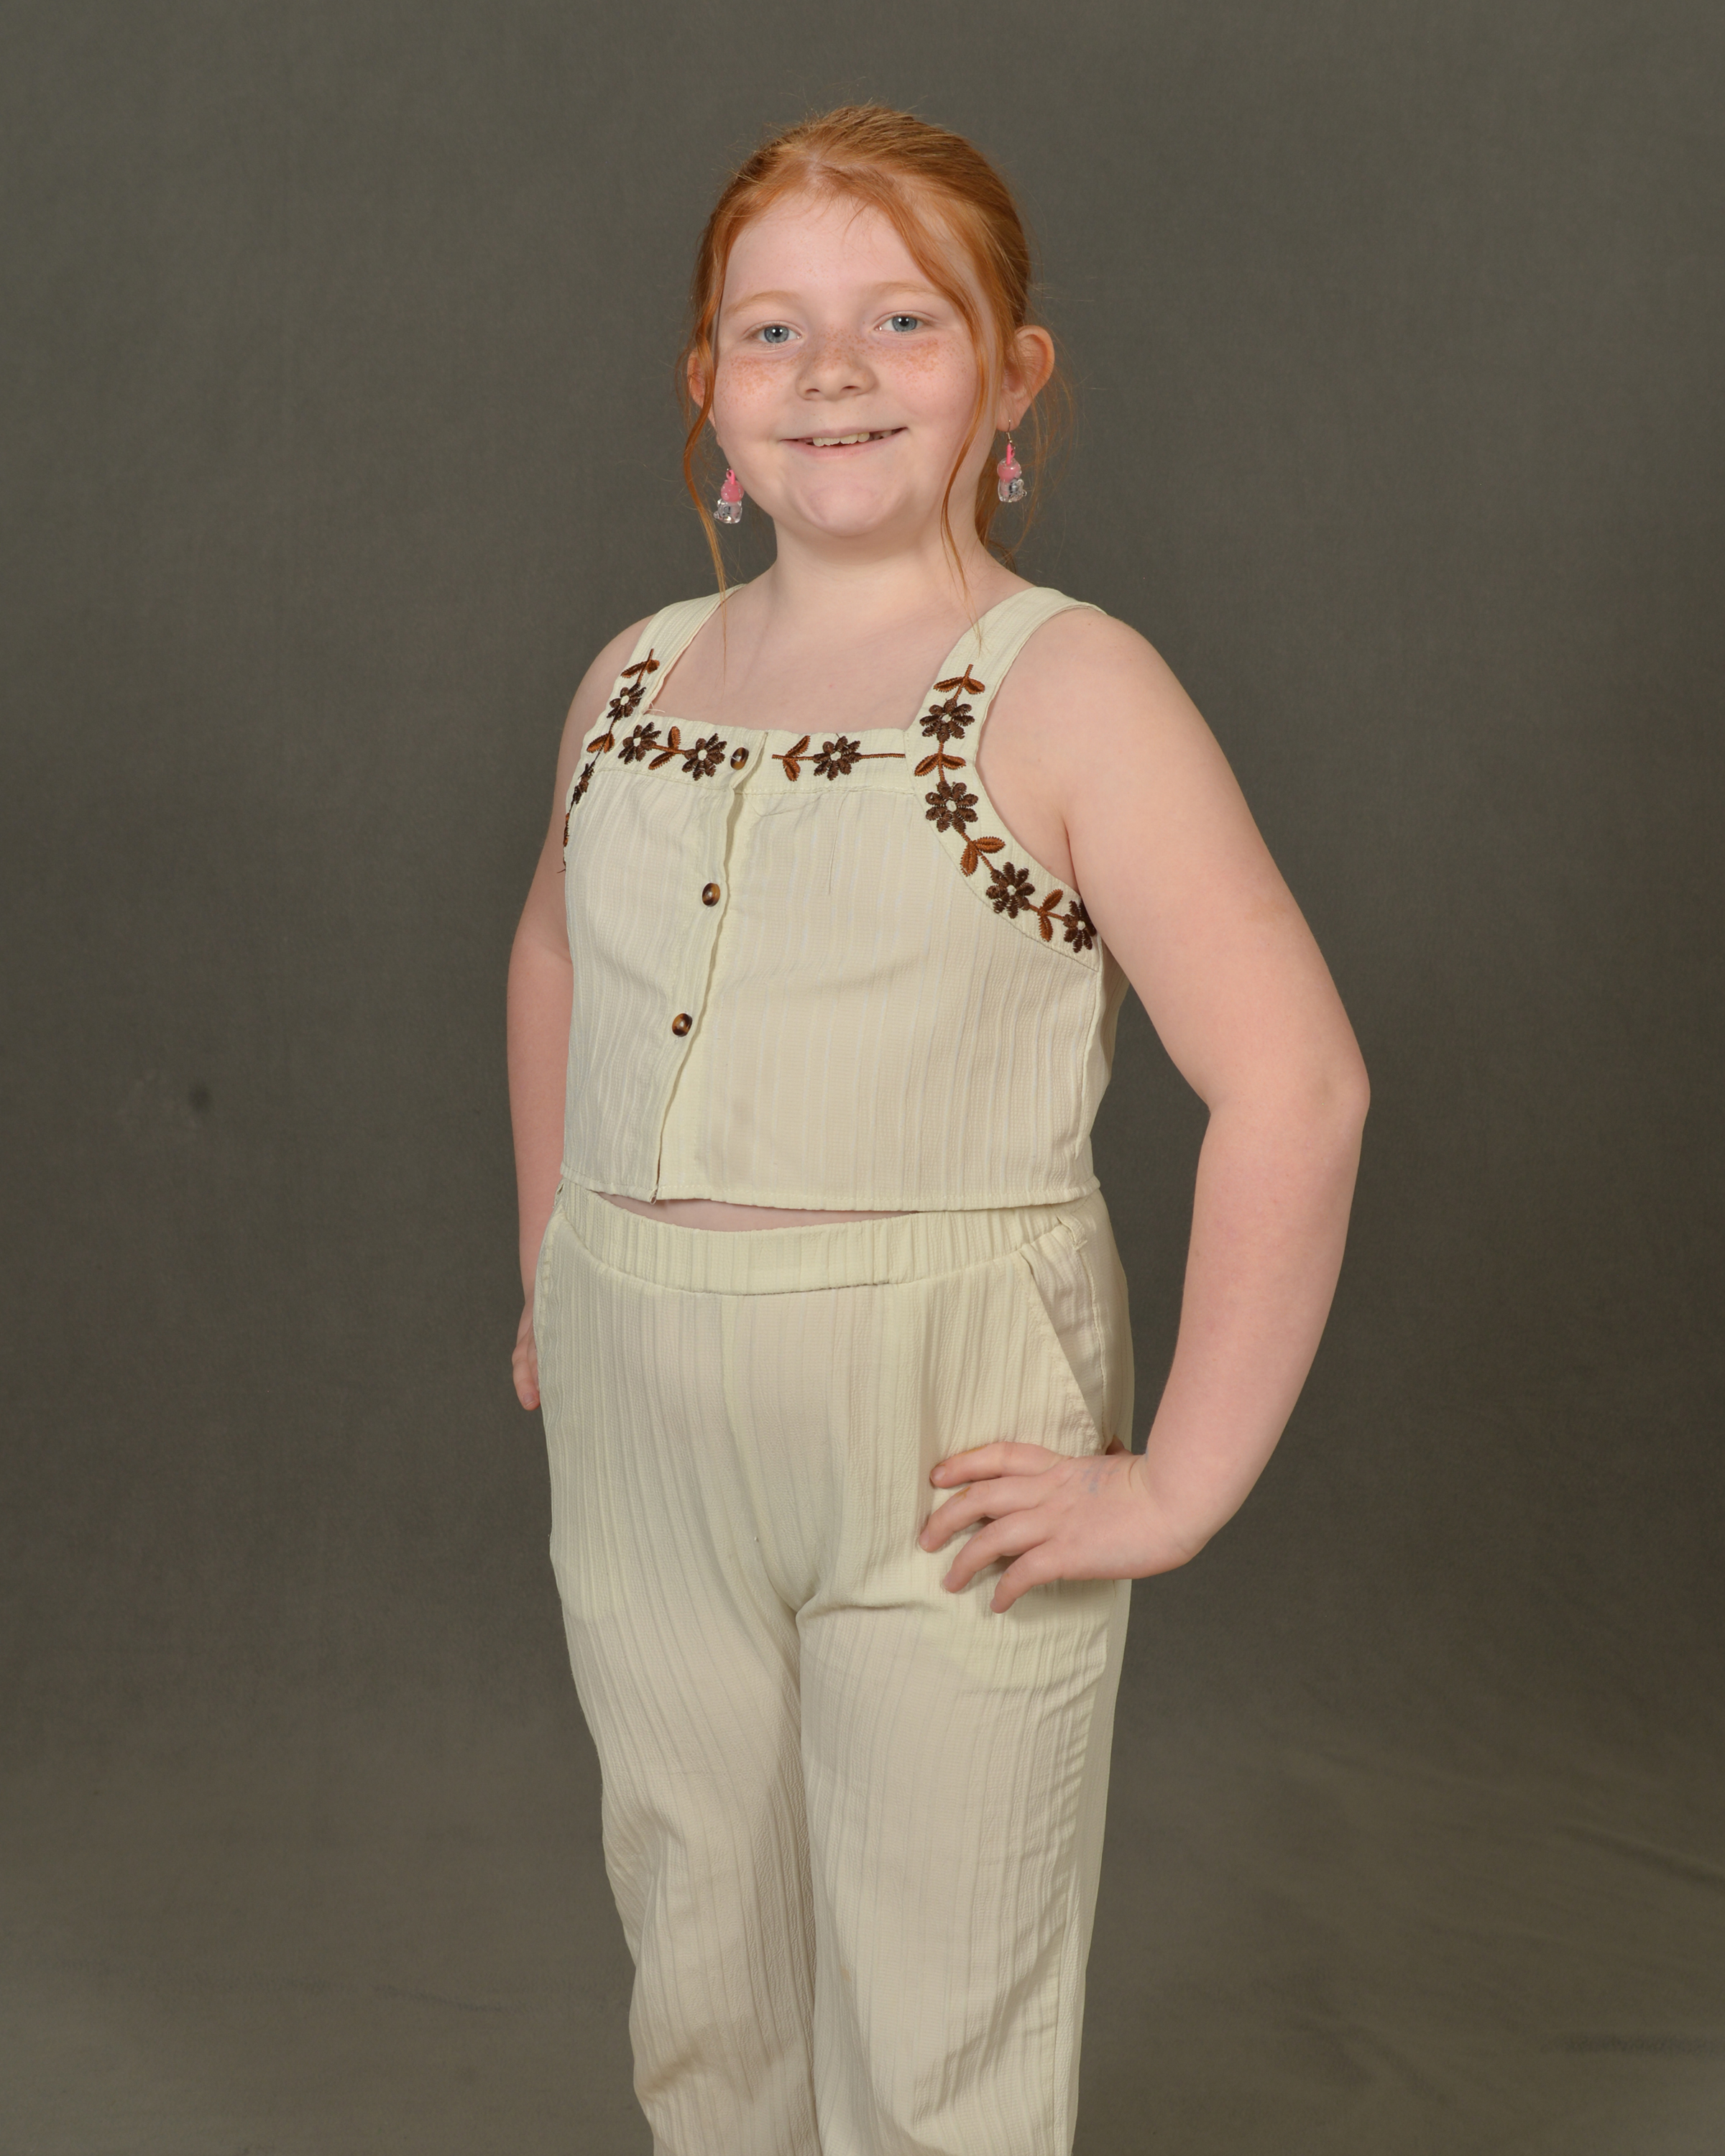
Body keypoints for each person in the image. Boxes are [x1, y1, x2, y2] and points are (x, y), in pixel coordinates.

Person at [505, 103, 1367, 2156]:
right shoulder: (634, 680)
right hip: (641, 1393)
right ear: (707, 381)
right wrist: (552, 1259)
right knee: (702, 1963)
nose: (834, 371)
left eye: (902, 319)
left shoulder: (1071, 692)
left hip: (948, 1411)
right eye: (775, 328)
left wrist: (1180, 1484)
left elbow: (1298, 1085)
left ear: (1010, 371)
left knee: (942, 2004)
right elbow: (551, 952)